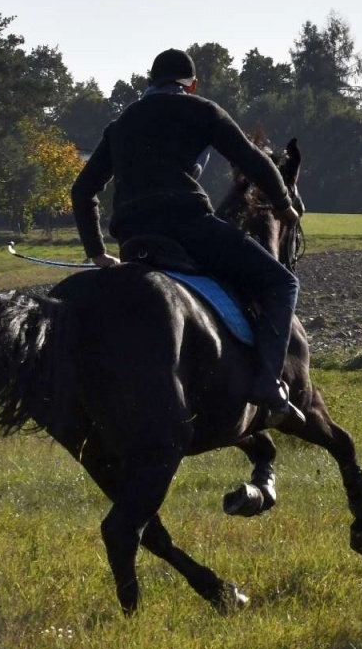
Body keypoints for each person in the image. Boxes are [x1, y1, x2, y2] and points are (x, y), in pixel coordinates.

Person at [70, 48, 305, 426]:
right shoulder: (202, 110)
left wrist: (97, 254)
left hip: (133, 240)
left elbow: (82, 191)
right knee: (282, 282)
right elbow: (253, 160)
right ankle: (266, 383)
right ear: (191, 85)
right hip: (189, 227)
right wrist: (282, 204)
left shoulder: (120, 124)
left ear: (150, 81)